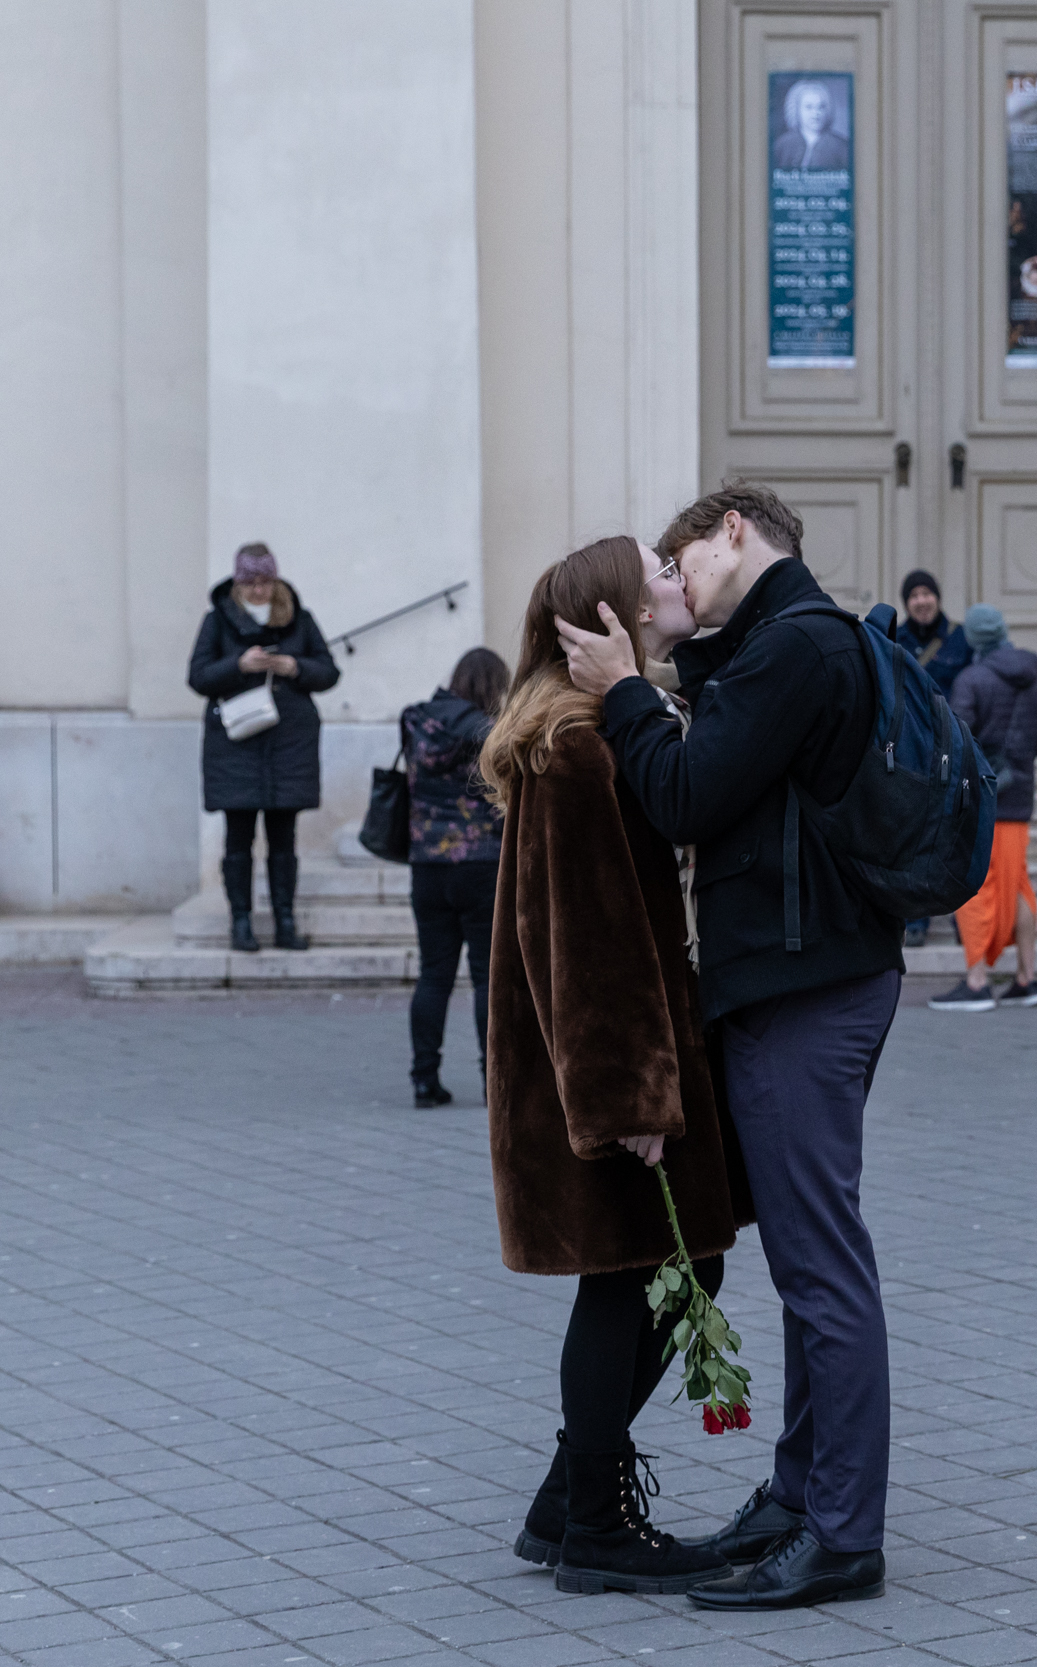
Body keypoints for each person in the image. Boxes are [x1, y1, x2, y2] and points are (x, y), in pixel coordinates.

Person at [557, 482, 898, 1611]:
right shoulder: (772, 648)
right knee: (807, 1261)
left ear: (734, 532)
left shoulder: (802, 644)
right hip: (785, 983)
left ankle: (841, 1529)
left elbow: (689, 794)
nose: (674, 577)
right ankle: (803, 1495)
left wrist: (621, 694)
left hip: (808, 985)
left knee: (819, 1263)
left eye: (680, 556)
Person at [477, 536, 751, 1596]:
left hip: (610, 1063)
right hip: (611, 1072)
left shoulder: (584, 736)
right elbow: (587, 940)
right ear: (616, 619)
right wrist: (629, 1100)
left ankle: (567, 1498)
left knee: (674, 1266)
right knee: (631, 1277)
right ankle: (591, 1519)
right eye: (662, 579)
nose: (680, 583)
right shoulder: (581, 749)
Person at [188, 543, 338, 953]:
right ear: (238, 582)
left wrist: (295, 667)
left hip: (289, 746)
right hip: (235, 746)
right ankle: (241, 922)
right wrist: (239, 665)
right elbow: (198, 677)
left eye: (265, 581)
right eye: (251, 582)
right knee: (237, 838)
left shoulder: (300, 619)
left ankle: (285, 922)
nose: (259, 591)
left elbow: (328, 672)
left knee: (283, 839)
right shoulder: (217, 620)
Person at [929, 605, 1037, 1012]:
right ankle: (1026, 979)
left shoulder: (972, 679)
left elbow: (956, 740)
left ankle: (977, 981)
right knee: (1017, 885)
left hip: (982, 799)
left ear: (976, 640)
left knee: (973, 885)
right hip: (1021, 800)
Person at [402, 648, 510, 1109]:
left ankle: (425, 1079)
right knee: (488, 978)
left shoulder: (416, 720)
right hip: (481, 863)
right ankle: (493, 1080)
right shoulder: (488, 731)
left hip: (427, 864)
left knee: (433, 976)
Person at [895, 570, 971, 950]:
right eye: (914, 595)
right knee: (915, 837)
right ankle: (917, 920)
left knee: (957, 836)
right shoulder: (894, 638)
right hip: (912, 751)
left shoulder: (961, 637)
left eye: (927, 593)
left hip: (954, 750)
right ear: (907, 602)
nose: (922, 601)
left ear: (938, 598)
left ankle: (966, 921)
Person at [771, 79, 850, 171]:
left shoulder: (842, 146)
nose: (816, 113)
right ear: (796, 110)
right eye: (809, 107)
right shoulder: (782, 145)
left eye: (821, 107)